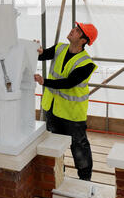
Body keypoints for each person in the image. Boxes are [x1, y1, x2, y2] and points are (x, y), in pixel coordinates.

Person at [34, 22, 98, 181]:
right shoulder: (60, 48)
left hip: (72, 115)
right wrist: (35, 49)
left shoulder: (86, 64)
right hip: (53, 110)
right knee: (55, 147)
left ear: (83, 40)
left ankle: (85, 181)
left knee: (79, 149)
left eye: (77, 31)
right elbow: (42, 54)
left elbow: (69, 83)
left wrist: (44, 82)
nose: (72, 30)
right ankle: (58, 177)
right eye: (74, 28)